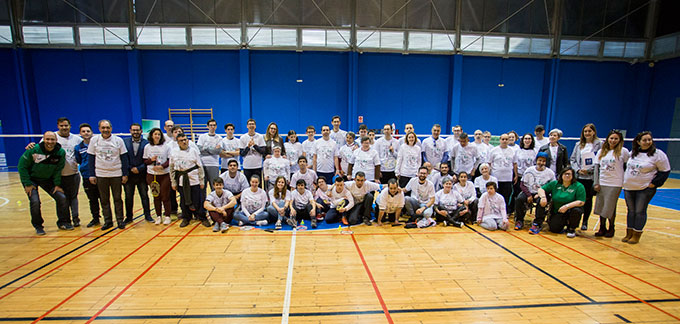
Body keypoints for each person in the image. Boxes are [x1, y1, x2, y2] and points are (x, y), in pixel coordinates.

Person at [26, 117, 83, 226]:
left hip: (73, 174)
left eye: (66, 125)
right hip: (57, 175)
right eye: (61, 126)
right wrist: (31, 146)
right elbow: (37, 150)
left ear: (70, 126)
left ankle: (75, 219)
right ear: (58, 126)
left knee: (73, 197)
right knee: (61, 199)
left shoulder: (77, 139)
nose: (64, 127)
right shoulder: (50, 137)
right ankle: (63, 221)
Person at [622, 131, 670, 244]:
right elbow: (626, 166)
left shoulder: (658, 155)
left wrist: (654, 184)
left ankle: (636, 234)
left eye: (649, 139)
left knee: (640, 211)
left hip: (644, 189)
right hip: (629, 188)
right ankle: (629, 233)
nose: (647, 142)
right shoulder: (633, 153)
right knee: (631, 211)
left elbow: (665, 171)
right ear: (638, 142)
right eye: (644, 140)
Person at [18, 131, 69, 234]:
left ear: (56, 140)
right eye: (47, 139)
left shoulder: (60, 152)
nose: (50, 142)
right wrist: (27, 183)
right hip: (31, 179)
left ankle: (63, 222)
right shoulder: (33, 150)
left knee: (62, 198)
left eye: (52, 139)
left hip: (47, 179)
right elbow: (21, 167)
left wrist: (57, 184)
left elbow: (58, 170)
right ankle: (38, 226)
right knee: (35, 202)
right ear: (43, 139)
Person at [87, 120, 129, 231]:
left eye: (107, 127)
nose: (105, 130)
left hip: (116, 173)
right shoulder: (94, 140)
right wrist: (92, 174)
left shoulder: (118, 140)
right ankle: (108, 221)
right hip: (101, 174)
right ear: (99, 129)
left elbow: (124, 158)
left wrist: (125, 174)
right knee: (104, 199)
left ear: (111, 128)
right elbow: (91, 158)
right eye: (103, 128)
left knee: (117, 198)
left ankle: (120, 220)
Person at [593, 130, 629, 238]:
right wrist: (596, 182)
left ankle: (611, 228)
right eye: (611, 138)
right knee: (601, 206)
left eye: (616, 138)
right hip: (602, 182)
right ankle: (602, 227)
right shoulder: (601, 151)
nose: (613, 140)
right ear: (608, 139)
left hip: (615, 184)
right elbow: (596, 168)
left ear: (620, 140)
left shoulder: (624, 152)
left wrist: (625, 181)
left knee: (610, 207)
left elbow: (627, 167)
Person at [169, 133, 210, 228]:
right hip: (181, 179)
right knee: (183, 200)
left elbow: (200, 167)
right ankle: (186, 217)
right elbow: (171, 168)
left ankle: (202, 217)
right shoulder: (174, 152)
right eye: (181, 140)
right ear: (177, 142)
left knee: (198, 199)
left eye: (185, 140)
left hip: (194, 178)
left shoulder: (193, 151)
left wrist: (201, 180)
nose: (184, 142)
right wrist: (173, 182)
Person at [570, 123, 602, 230]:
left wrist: (589, 170)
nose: (587, 133)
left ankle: (585, 221)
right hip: (579, 177)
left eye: (589, 131)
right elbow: (573, 160)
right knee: (576, 199)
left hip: (591, 178)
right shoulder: (578, 145)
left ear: (594, 132)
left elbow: (600, 160)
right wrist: (578, 170)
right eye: (585, 131)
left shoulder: (600, 144)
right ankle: (574, 222)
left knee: (588, 200)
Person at [537, 168, 586, 238]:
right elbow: (541, 189)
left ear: (573, 176)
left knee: (577, 210)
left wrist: (567, 206)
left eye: (569, 174)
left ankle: (571, 229)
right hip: (558, 211)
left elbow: (581, 201)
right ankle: (562, 222)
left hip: (570, 209)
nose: (567, 175)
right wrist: (543, 197)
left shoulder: (578, 186)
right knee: (554, 229)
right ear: (561, 175)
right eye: (565, 174)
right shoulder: (555, 184)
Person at [517, 152, 555, 233]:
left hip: (543, 194)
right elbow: (522, 184)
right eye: (539, 160)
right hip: (529, 192)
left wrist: (541, 194)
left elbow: (552, 186)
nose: (541, 163)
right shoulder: (529, 170)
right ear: (536, 160)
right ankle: (519, 220)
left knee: (541, 202)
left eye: (543, 161)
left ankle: (537, 223)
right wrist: (528, 195)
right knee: (519, 199)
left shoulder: (550, 173)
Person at [74, 123, 102, 228]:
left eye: (88, 131)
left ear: (92, 133)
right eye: (83, 131)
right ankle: (95, 218)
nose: (86, 133)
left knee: (103, 198)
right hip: (86, 176)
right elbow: (79, 160)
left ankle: (108, 218)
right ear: (80, 133)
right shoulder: (78, 147)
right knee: (92, 198)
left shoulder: (98, 145)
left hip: (100, 174)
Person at [143, 128, 172, 225]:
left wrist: (161, 166)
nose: (157, 136)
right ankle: (158, 216)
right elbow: (145, 162)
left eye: (159, 134)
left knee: (165, 196)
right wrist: (151, 160)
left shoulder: (166, 147)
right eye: (155, 134)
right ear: (151, 135)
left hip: (164, 175)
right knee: (156, 196)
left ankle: (167, 216)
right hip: (152, 175)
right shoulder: (147, 147)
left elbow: (169, 160)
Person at [123, 123, 151, 223]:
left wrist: (139, 168)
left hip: (142, 174)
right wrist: (130, 168)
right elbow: (123, 158)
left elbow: (148, 159)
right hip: (129, 175)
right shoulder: (124, 142)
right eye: (134, 130)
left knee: (144, 196)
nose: (136, 132)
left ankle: (148, 215)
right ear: (130, 130)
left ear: (141, 131)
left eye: (137, 130)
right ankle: (129, 217)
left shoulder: (146, 143)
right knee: (128, 197)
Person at [488, 134, 517, 214]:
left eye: (506, 139)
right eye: (503, 139)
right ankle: (493, 211)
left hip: (507, 178)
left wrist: (516, 175)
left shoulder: (512, 151)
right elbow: (489, 163)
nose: (504, 141)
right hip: (496, 177)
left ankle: (504, 212)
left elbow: (514, 164)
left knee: (506, 196)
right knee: (495, 196)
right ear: (500, 140)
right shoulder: (493, 150)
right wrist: (489, 175)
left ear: (508, 140)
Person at [513, 133, 538, 220]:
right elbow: (515, 164)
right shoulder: (518, 151)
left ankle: (526, 211)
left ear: (532, 140)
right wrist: (516, 175)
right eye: (525, 139)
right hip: (520, 176)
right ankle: (518, 214)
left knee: (528, 196)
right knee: (518, 196)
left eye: (529, 139)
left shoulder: (535, 151)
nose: (527, 140)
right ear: (523, 140)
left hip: (530, 179)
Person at [197, 119, 223, 190]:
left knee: (214, 186)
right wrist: (212, 149)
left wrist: (205, 148)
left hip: (214, 164)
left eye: (214, 125)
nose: (212, 127)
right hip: (203, 164)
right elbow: (199, 150)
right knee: (202, 187)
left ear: (216, 126)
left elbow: (218, 151)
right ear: (207, 126)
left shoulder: (219, 138)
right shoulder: (202, 137)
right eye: (211, 125)